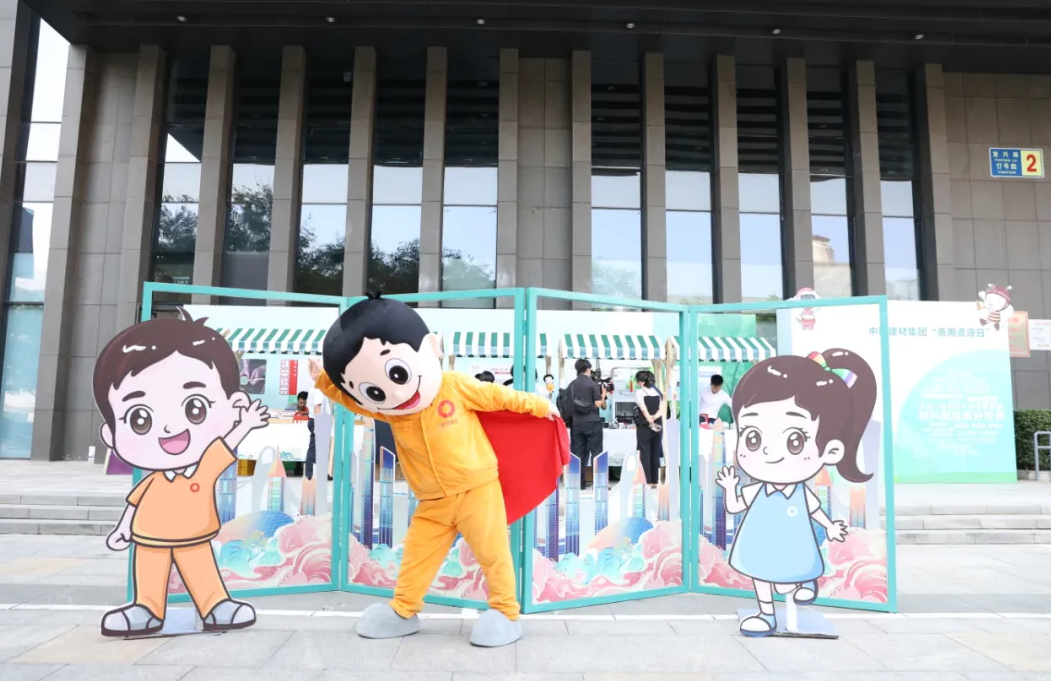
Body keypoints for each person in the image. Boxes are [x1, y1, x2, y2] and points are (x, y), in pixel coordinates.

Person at [314, 292, 566, 648]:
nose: (394, 393)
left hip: (477, 489)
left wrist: (539, 405)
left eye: (397, 373)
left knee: (493, 553)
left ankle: (506, 611)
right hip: (432, 500)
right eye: (376, 390)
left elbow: (498, 396)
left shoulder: (454, 385)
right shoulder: (390, 411)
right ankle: (403, 609)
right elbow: (353, 400)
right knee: (417, 556)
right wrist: (325, 383)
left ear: (431, 347)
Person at [92, 315, 268, 636]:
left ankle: (215, 605)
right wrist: (123, 529)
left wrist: (245, 424)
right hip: (148, 538)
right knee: (149, 573)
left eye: (195, 408)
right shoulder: (152, 480)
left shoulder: (205, 467)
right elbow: (134, 504)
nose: (171, 428)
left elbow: (225, 444)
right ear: (111, 435)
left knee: (201, 569)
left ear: (234, 405)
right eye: (140, 418)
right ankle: (146, 608)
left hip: (194, 536)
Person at [716, 348, 875, 637]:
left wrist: (830, 527)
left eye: (794, 441)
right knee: (761, 574)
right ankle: (766, 614)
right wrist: (729, 488)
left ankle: (804, 582)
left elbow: (815, 511)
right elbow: (735, 506)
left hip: (792, 545)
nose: (768, 452)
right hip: (760, 545)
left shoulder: (801, 493)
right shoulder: (758, 489)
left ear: (831, 450)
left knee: (795, 566)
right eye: (752, 437)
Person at [567, 358, 607, 490]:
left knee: (578, 453)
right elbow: (598, 404)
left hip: (576, 423)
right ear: (588, 369)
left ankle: (579, 483)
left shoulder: (572, 385)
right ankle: (599, 484)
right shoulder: (592, 384)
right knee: (596, 452)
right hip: (592, 422)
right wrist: (603, 394)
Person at [634, 370, 664, 488]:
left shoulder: (640, 392)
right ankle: (655, 481)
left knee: (645, 452)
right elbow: (661, 409)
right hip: (658, 424)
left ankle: (646, 481)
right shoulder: (658, 392)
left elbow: (642, 407)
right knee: (656, 451)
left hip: (645, 425)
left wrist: (649, 419)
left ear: (641, 381)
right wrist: (654, 418)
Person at [296, 390, 318, 480]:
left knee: (315, 449)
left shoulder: (310, 406)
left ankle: (311, 473)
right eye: (300, 403)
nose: (302, 405)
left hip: (315, 421)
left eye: (304, 403)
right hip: (315, 421)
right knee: (313, 449)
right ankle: (310, 474)